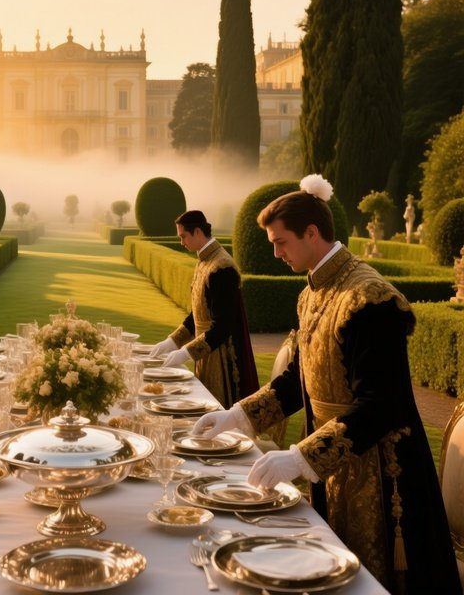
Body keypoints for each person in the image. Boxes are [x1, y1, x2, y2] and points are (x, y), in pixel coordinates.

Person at [192, 176, 461, 594]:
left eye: (281, 242)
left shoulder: (370, 298)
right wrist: (238, 415)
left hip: (382, 472)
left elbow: (381, 404)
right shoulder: (313, 292)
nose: (276, 253)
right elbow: (296, 378)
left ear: (312, 233)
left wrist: (300, 458)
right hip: (332, 462)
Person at [147, 209, 259, 407]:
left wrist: (186, 352)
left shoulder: (222, 267)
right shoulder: (205, 261)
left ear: (198, 232)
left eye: (183, 236)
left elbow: (223, 324)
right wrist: (172, 341)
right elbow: (198, 313)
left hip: (222, 357)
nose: (181, 242)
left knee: (217, 409)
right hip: (206, 351)